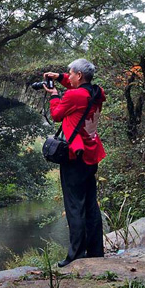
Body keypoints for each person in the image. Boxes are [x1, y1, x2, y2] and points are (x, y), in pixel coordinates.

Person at [43, 59, 106, 267]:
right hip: (91, 155)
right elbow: (79, 89)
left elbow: (56, 115)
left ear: (79, 75)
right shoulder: (98, 92)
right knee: (90, 205)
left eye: (70, 73)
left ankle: (76, 256)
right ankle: (95, 251)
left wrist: (54, 95)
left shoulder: (72, 96)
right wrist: (59, 77)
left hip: (74, 157)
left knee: (74, 207)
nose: (68, 77)